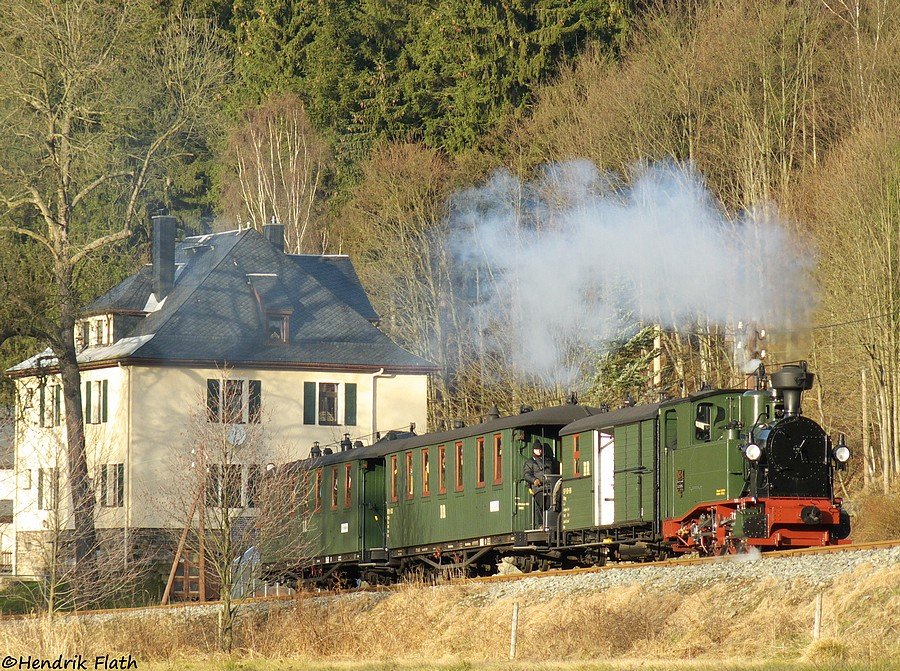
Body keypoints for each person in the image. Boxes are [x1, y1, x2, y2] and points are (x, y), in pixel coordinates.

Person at [522, 442, 560, 528]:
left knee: (553, 503)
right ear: (533, 450)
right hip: (538, 488)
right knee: (541, 503)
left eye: (540, 449)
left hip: (550, 487)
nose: (539, 451)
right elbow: (526, 474)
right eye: (536, 449)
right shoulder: (529, 462)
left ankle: (552, 522)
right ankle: (541, 523)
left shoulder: (548, 461)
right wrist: (534, 480)